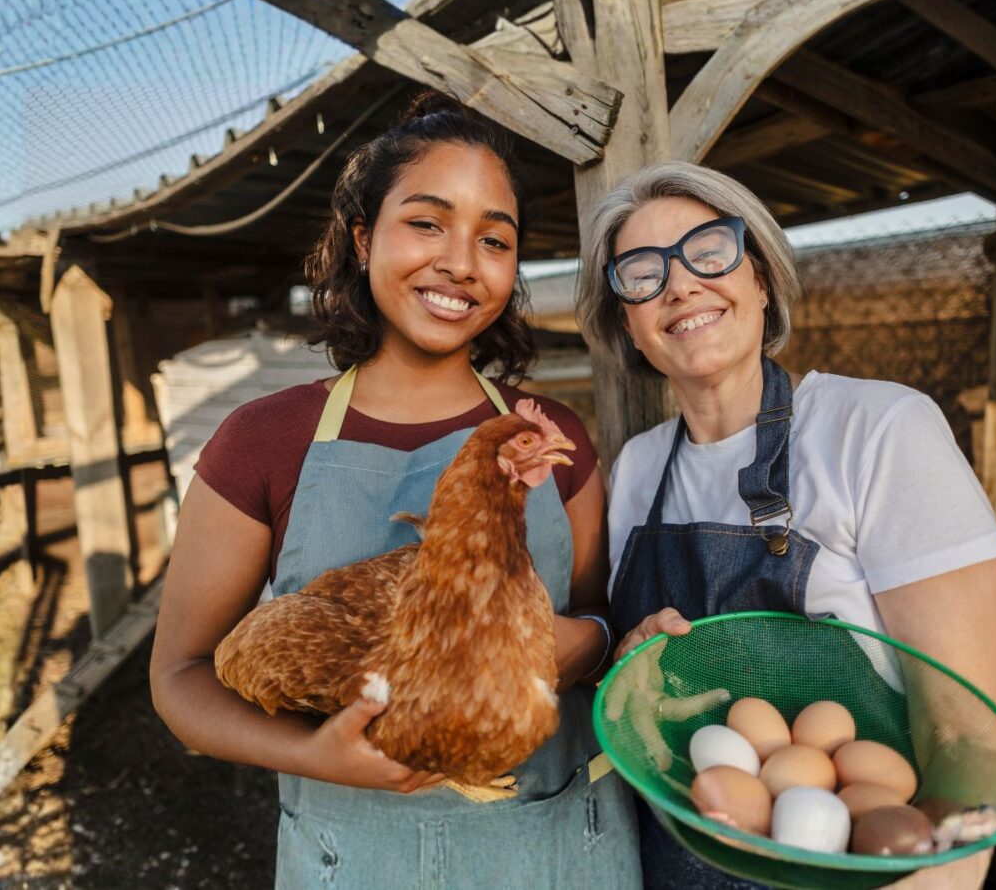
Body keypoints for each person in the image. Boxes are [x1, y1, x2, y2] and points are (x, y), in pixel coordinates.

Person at [150, 93, 640, 889]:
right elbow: (180, 676)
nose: (460, 262)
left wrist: (571, 644)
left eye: (494, 239)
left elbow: (603, 624)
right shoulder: (264, 439)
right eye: (426, 223)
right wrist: (313, 754)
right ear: (362, 237)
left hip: (551, 848)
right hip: (357, 855)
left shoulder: (544, 437)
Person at [577, 162, 996, 889]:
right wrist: (636, 676)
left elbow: (967, 741)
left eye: (708, 251)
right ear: (629, 323)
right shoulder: (635, 473)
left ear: (761, 279)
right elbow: (645, 717)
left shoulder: (877, 431)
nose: (680, 284)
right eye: (642, 273)